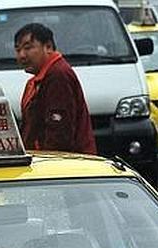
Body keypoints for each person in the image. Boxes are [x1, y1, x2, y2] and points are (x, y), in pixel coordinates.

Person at [15, 23, 97, 154]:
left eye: (28, 48)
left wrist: (47, 163)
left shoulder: (58, 76)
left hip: (64, 165)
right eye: (18, 50)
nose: (22, 55)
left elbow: (59, 133)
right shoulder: (38, 80)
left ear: (48, 47)